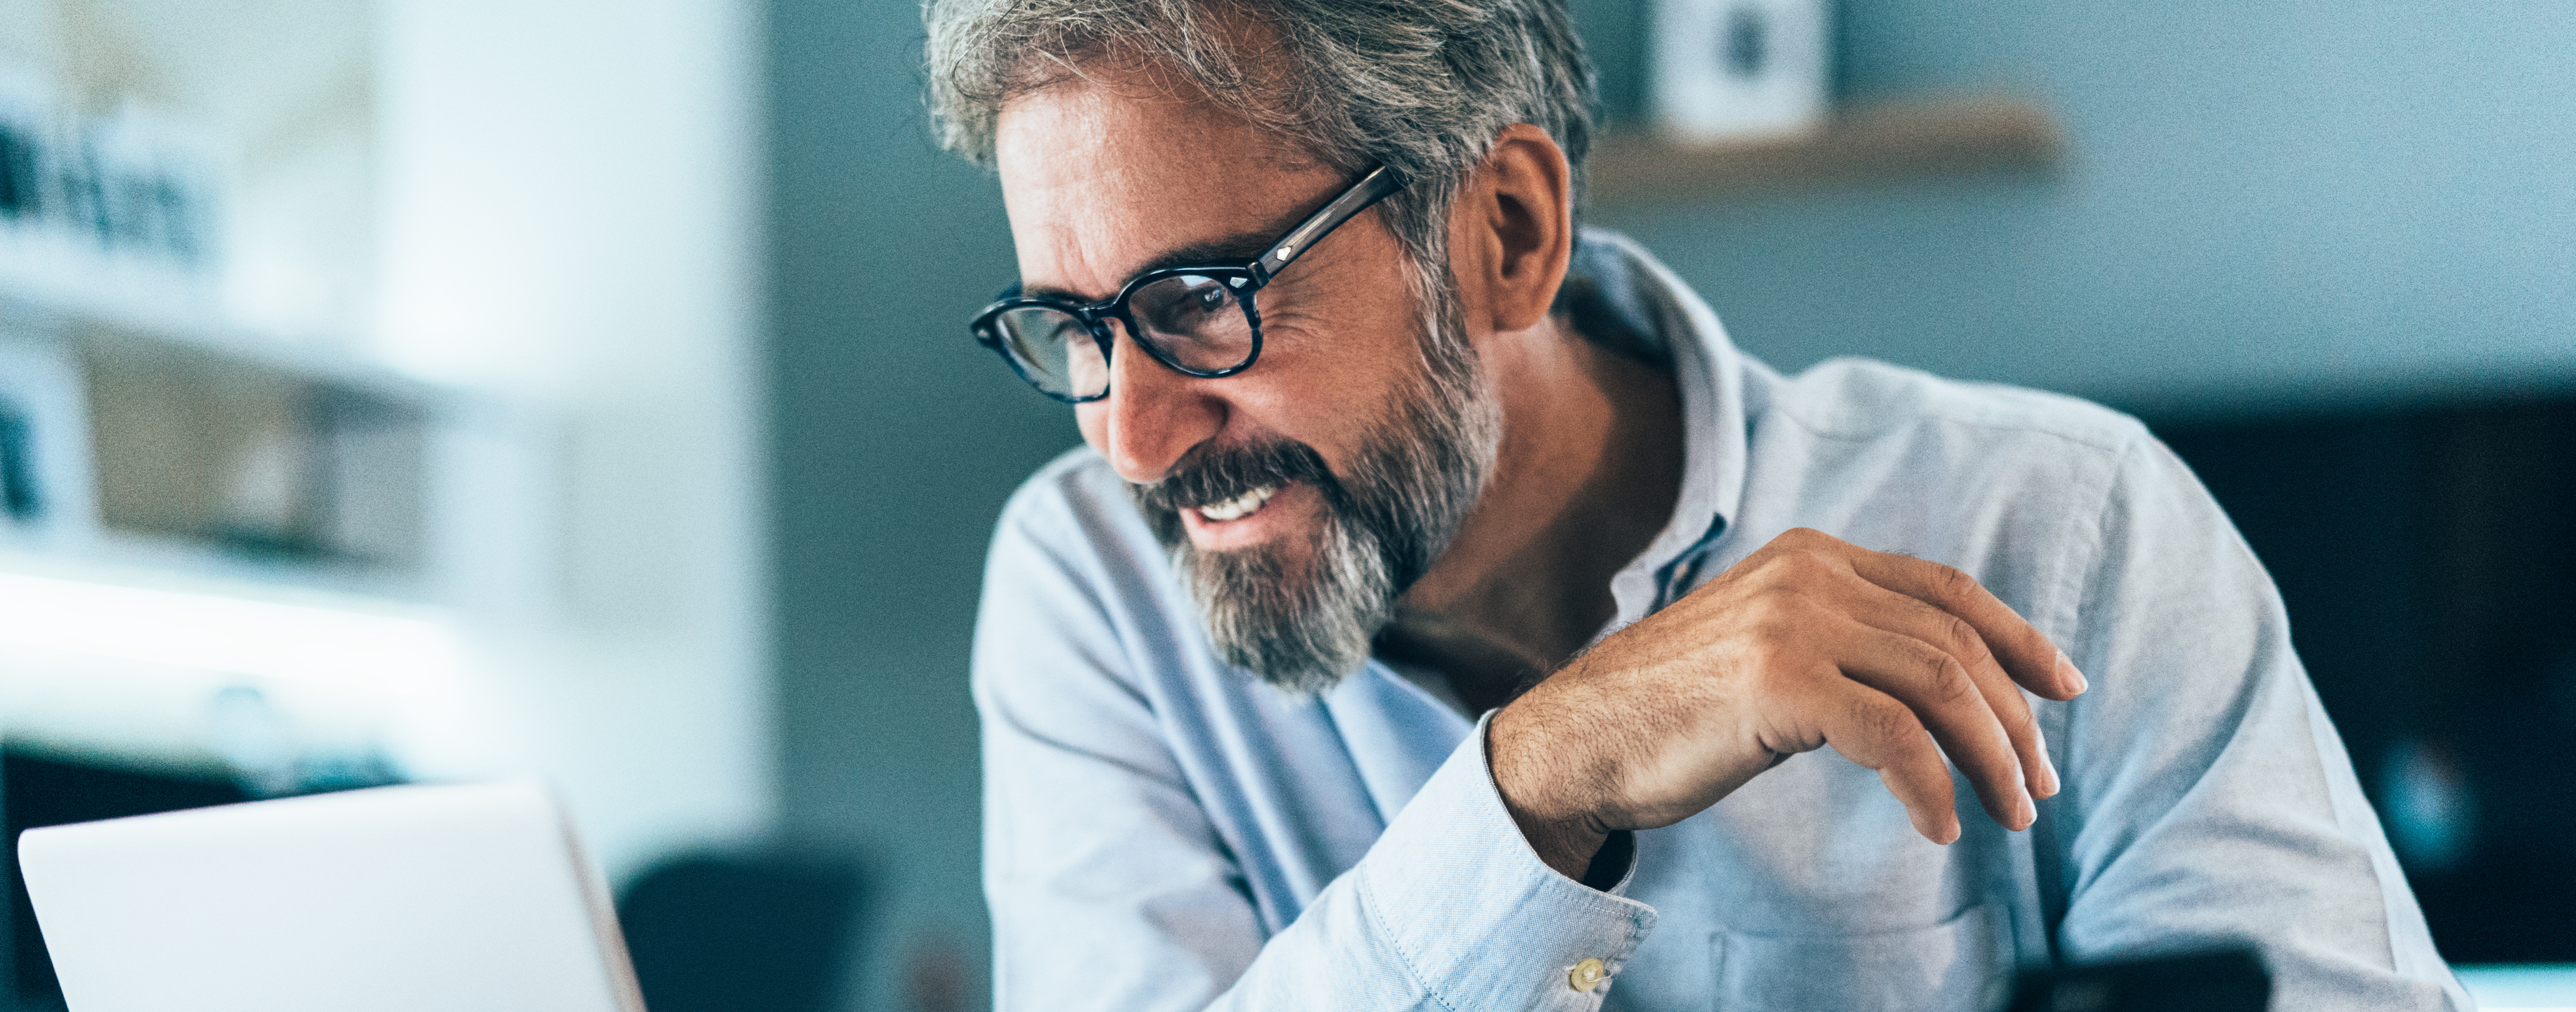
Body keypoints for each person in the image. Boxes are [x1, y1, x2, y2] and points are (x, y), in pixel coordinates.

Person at [933, 1, 2466, 1008]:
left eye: (1202, 301)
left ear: (1509, 234)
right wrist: (1541, 779)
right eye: (1073, 328)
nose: (1130, 439)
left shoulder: (2068, 536)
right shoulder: (1091, 593)